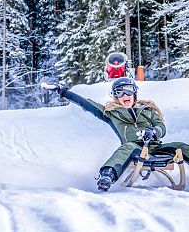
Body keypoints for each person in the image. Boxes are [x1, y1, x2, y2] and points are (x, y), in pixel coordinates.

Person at [46, 77, 189, 191]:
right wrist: (64, 92)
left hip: (156, 147)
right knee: (126, 148)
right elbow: (86, 104)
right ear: (115, 97)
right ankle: (108, 175)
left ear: (134, 93)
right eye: (119, 92)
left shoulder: (148, 109)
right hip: (134, 148)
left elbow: (161, 127)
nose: (124, 95)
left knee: (180, 146)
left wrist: (153, 131)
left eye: (127, 91)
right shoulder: (111, 113)